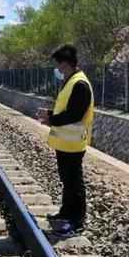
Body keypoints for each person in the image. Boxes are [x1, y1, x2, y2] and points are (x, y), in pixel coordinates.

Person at [37, 44, 94, 237]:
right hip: (65, 143)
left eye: (58, 64)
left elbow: (74, 115)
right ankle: (65, 213)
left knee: (74, 182)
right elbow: (66, 111)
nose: (57, 69)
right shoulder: (71, 81)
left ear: (65, 64)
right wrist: (51, 115)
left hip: (74, 143)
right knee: (67, 180)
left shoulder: (80, 84)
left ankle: (76, 220)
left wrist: (51, 119)